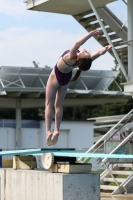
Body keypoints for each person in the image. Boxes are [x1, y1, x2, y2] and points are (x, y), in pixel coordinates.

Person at [45, 30, 112, 146]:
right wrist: (105, 49)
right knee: (59, 105)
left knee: (49, 104)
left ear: (78, 58)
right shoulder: (80, 62)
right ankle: (56, 130)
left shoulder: (72, 57)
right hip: (66, 79)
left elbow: (77, 44)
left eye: (85, 52)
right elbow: (98, 53)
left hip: (56, 76)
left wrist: (90, 34)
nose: (85, 50)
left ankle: (48, 132)